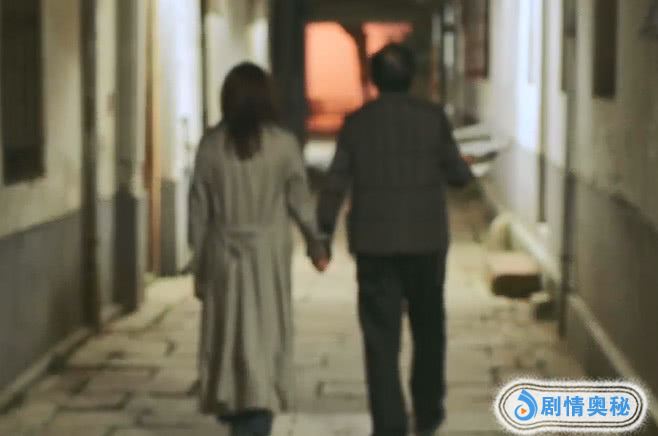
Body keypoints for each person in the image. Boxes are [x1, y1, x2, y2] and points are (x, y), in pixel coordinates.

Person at [317, 43, 474, 436]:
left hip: (375, 245)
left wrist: (322, 232)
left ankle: (389, 424)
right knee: (429, 330)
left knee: (380, 339)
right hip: (425, 243)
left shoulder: (357, 123)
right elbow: (457, 175)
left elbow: (336, 182)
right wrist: (465, 169)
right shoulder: (433, 118)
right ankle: (428, 410)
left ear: (374, 80)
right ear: (412, 77)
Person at [188, 62, 329, 436]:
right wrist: (316, 242)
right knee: (265, 337)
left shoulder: (211, 146)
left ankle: (234, 405)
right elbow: (300, 200)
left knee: (228, 336)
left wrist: (199, 264)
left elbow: (198, 211)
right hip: (267, 257)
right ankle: (258, 409)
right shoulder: (282, 145)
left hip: (223, 256)